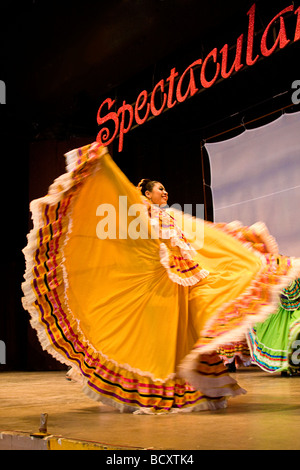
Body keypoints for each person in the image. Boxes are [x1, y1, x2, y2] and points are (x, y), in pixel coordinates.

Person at [22, 142, 300, 414]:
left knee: (181, 338)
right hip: (157, 285)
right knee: (155, 341)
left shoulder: (170, 215)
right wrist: (102, 165)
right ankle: (156, 389)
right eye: (160, 189)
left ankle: (188, 389)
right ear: (146, 192)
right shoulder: (139, 211)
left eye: (165, 189)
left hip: (176, 286)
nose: (165, 192)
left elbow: (203, 236)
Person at [247, 279, 300, 376]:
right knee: (283, 338)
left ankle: (291, 366)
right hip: (282, 307)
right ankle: (287, 367)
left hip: (291, 307)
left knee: (292, 336)